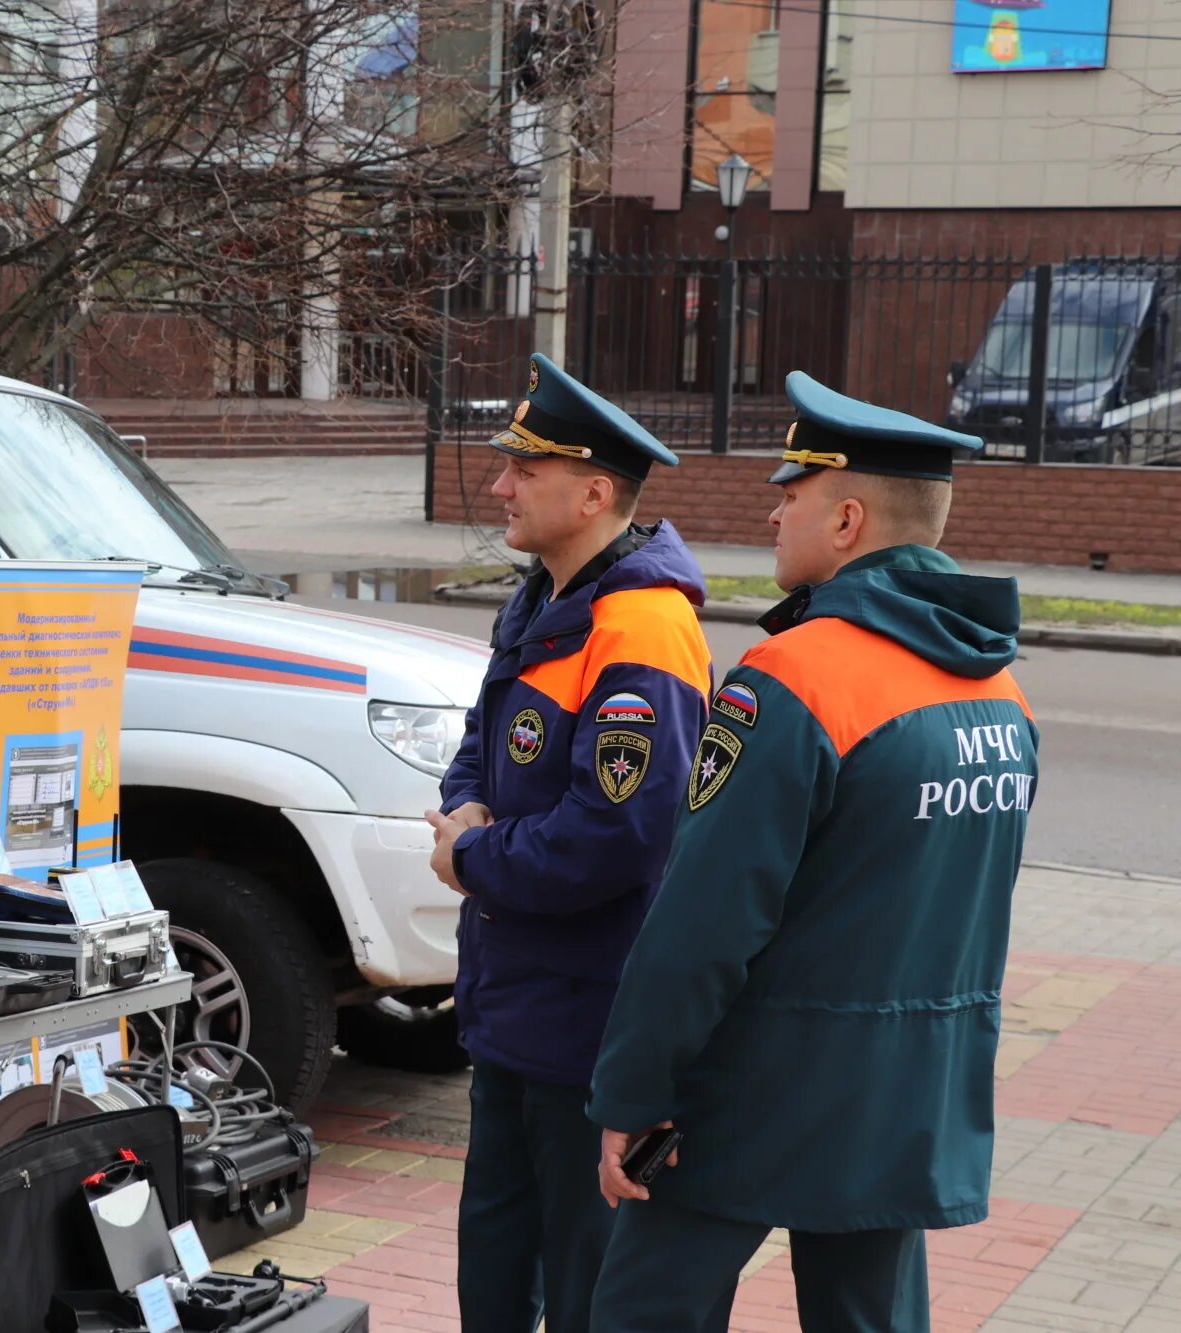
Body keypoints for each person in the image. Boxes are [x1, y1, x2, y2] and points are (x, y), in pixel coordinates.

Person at [587, 373, 1040, 1332]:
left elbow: (704, 918)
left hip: (757, 1091)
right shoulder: (1000, 690)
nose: (772, 509)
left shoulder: (793, 676)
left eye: (789, 493)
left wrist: (632, 1090)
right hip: (905, 1090)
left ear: (845, 518)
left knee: (641, 1309)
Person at [426, 354, 713, 1332]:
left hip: (586, 1027)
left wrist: (470, 857)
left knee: (582, 1283)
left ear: (593, 493)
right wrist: (465, 815)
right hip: (511, 1006)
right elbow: (477, 751)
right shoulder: (544, 599)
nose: (498, 485)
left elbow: (614, 835)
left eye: (524, 470)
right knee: (494, 1269)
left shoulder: (642, 626)